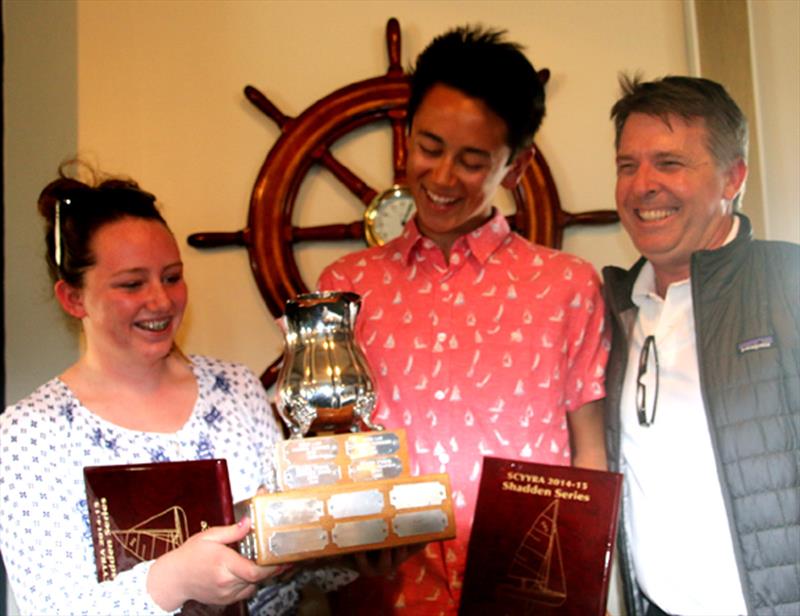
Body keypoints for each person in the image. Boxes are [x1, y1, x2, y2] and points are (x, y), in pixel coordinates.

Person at [318, 26, 609, 613]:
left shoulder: (567, 286)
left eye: (473, 161)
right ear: (406, 137)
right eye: (429, 148)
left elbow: (590, 458)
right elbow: (325, 446)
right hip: (385, 596)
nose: (444, 177)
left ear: (517, 164)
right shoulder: (344, 287)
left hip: (526, 595)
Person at [0, 166, 355, 614]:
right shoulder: (30, 432)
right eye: (132, 284)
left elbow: (293, 562)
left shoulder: (237, 390)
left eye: (171, 276)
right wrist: (168, 583)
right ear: (72, 298)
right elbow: (49, 607)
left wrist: (356, 546)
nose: (162, 301)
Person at [603, 75, 800, 616]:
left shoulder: (791, 283)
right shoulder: (614, 311)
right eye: (627, 165)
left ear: (732, 176)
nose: (642, 185)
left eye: (669, 163)